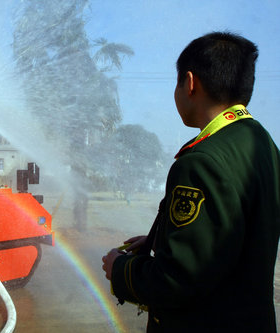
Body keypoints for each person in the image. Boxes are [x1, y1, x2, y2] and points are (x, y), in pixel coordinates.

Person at [102, 31, 280, 332]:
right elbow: (235, 234)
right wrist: (162, 238)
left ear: (190, 82)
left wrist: (119, 269)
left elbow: (177, 280)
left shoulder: (201, 161)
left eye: (177, 83)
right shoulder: (262, 143)